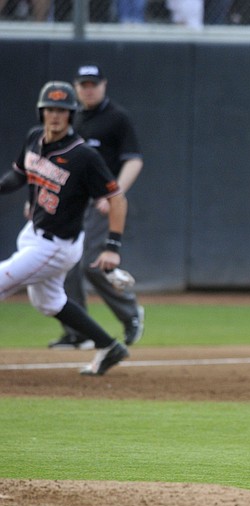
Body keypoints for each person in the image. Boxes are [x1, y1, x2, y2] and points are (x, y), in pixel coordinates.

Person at [0, 81, 130, 376]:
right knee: (49, 302)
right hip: (34, 233)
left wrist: (113, 247)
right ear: (41, 112)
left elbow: (117, 199)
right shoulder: (34, 138)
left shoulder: (84, 156)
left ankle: (108, 345)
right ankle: (109, 346)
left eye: (62, 110)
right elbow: (17, 175)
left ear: (71, 115)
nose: (55, 116)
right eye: (50, 109)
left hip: (56, 246)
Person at [48, 64, 145, 351]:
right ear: (76, 88)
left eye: (94, 84)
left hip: (101, 201)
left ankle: (130, 313)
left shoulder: (116, 118)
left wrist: (114, 193)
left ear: (104, 85)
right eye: (83, 84)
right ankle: (78, 332)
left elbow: (134, 159)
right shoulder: (70, 117)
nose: (89, 89)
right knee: (64, 265)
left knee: (93, 264)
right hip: (69, 203)